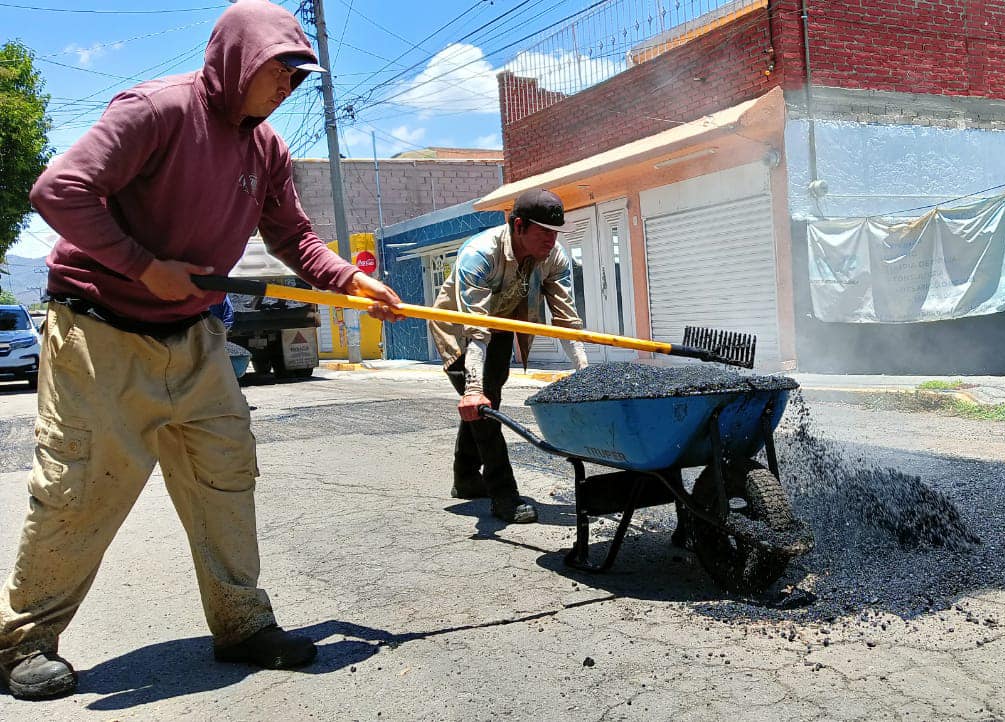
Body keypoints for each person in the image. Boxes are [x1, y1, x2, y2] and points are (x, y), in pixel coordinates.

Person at [0, 0, 402, 701]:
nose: (289, 86)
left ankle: (242, 623)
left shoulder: (266, 149)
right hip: (100, 330)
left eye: (299, 75)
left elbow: (293, 238)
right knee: (78, 489)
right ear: (238, 59)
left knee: (225, 475)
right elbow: (57, 190)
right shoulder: (156, 110)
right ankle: (22, 642)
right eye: (281, 69)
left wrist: (351, 279)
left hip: (194, 338)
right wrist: (140, 264)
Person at [430, 189, 589, 524]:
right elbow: (476, 332)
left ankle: (466, 477)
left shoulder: (553, 257)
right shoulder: (479, 255)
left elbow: (567, 320)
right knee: (483, 407)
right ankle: (504, 494)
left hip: (501, 324)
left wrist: (586, 374)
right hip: (459, 329)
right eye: (543, 231)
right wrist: (473, 389)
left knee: (489, 402)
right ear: (518, 226)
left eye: (555, 232)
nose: (551, 239)